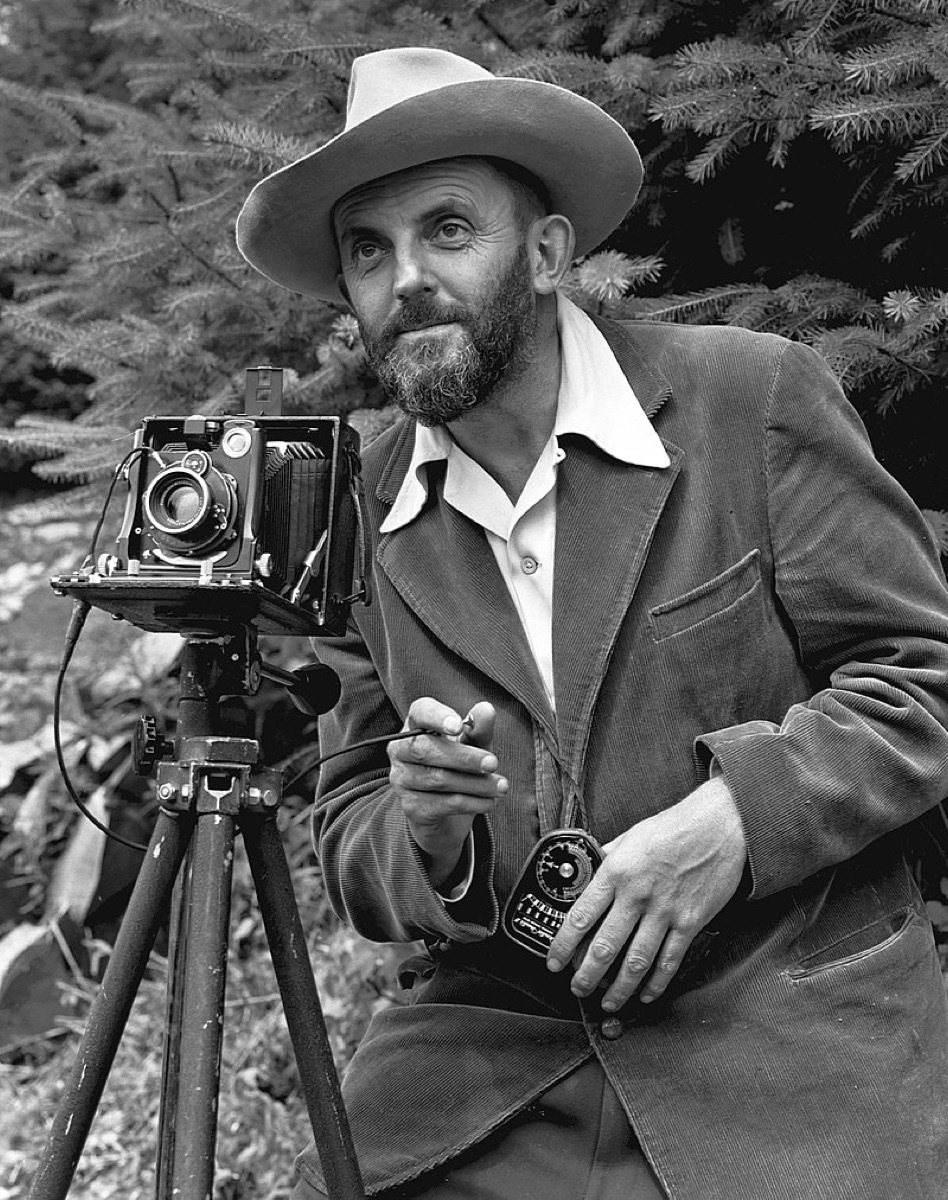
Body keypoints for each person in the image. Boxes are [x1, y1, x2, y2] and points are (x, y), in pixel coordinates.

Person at [237, 47, 948, 1200]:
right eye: (368, 249)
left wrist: (731, 820)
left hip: (787, 1033)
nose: (406, 277)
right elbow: (351, 824)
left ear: (552, 251)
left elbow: (921, 678)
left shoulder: (748, 398)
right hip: (493, 1064)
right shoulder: (357, 510)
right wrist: (425, 833)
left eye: (449, 228)